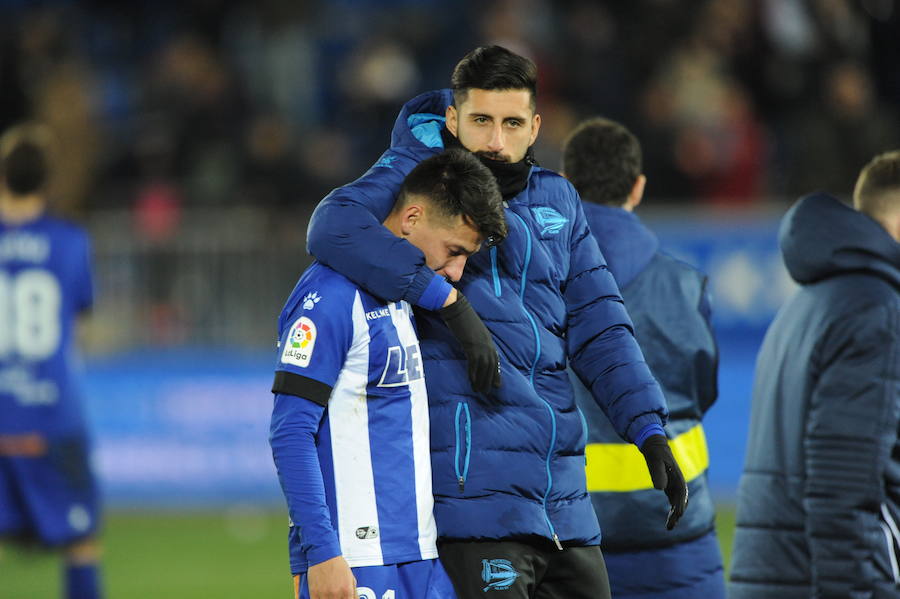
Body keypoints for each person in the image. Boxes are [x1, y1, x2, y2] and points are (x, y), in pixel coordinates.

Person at [305, 45, 688, 599]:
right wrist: (447, 302)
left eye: (512, 124)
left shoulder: (558, 200)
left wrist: (649, 430)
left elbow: (601, 327)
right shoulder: (417, 182)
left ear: (535, 127)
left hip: (565, 508)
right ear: (453, 120)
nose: (495, 142)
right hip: (470, 506)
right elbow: (331, 228)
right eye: (481, 121)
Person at [270, 149, 507, 599]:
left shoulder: (402, 295)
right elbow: (290, 431)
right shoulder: (329, 295)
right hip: (356, 563)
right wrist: (321, 553)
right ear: (412, 217)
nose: (456, 272)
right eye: (454, 251)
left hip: (419, 554)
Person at [561, 117, 726, 598]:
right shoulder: (686, 284)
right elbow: (705, 388)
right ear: (638, 188)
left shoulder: (538, 283)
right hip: (678, 528)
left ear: (566, 187)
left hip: (572, 531)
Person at [729, 150, 900, 597]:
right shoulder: (875, 310)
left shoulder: (806, 306)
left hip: (776, 577)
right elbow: (844, 491)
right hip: (823, 582)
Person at [0, 124, 102, 599]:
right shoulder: (69, 241)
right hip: (52, 413)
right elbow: (78, 315)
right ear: (46, 179)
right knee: (80, 540)